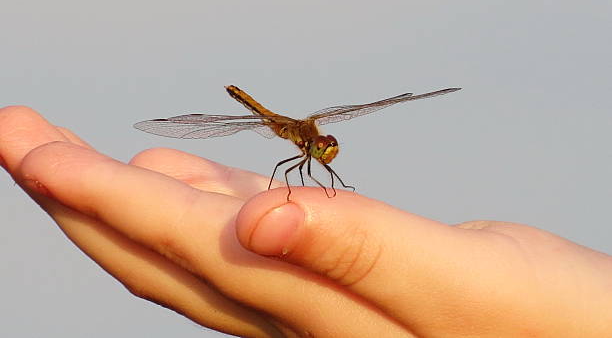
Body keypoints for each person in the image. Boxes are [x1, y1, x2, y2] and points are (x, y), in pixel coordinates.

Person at [1, 105, 610, 337]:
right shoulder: (296, 146)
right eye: (323, 153)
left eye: (325, 153)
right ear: (312, 144)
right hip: (263, 125)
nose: (325, 153)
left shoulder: (320, 146)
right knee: (283, 177)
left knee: (295, 186)